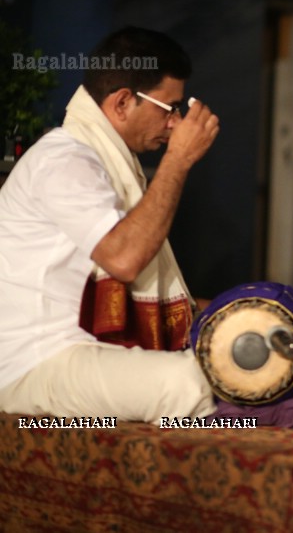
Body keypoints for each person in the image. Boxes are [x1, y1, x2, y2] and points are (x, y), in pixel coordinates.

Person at [0, 26, 220, 422]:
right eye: (169, 108)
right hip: (36, 361)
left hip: (85, 348)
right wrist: (179, 160)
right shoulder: (64, 161)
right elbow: (124, 258)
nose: (175, 123)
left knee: (243, 353)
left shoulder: (109, 162)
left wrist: (241, 309)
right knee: (188, 382)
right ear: (122, 103)